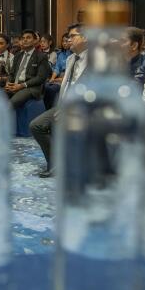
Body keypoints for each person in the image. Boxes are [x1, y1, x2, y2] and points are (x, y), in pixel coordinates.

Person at [29, 24, 88, 178]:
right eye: (68, 36)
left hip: (84, 110)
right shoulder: (70, 59)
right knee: (37, 125)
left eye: (72, 36)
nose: (68, 40)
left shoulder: (95, 61)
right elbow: (66, 85)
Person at [6, 29, 50, 109]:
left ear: (34, 41)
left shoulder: (41, 56)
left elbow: (41, 78)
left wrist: (22, 85)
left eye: (28, 37)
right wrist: (8, 83)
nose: (25, 40)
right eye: (23, 38)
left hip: (30, 87)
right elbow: (11, 73)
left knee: (10, 104)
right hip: (15, 85)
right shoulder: (18, 55)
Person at [43, 33, 71, 110]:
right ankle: (46, 109)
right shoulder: (61, 54)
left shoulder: (74, 55)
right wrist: (52, 78)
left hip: (68, 77)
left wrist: (61, 79)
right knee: (45, 86)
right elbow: (57, 68)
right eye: (63, 41)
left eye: (66, 41)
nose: (64, 43)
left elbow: (71, 71)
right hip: (59, 76)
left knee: (51, 89)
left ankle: (52, 109)